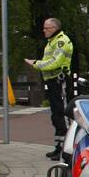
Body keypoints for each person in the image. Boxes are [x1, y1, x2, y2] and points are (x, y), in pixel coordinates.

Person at [25, 18, 73, 160]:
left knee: (62, 114)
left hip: (60, 81)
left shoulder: (61, 41)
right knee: (55, 115)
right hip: (53, 82)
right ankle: (59, 146)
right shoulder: (52, 41)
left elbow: (54, 62)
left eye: (47, 28)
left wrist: (35, 63)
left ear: (54, 28)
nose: (44, 30)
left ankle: (67, 149)